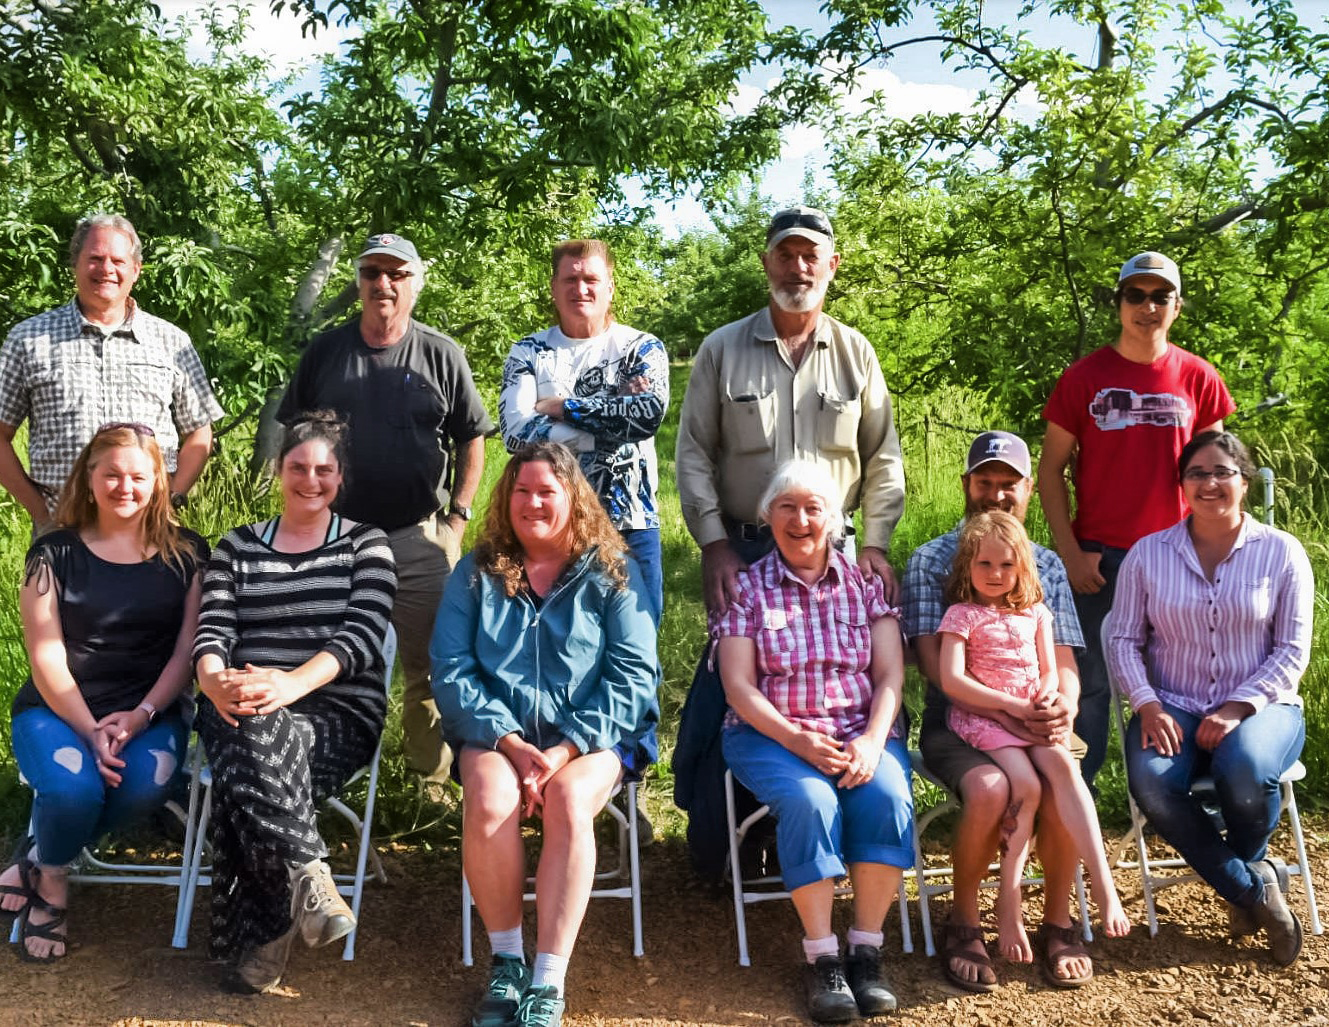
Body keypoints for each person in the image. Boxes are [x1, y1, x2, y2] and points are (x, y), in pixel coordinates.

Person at [673, 205, 906, 880]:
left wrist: (877, 545)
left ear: (831, 266)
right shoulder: (721, 348)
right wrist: (714, 542)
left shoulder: (856, 352)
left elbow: (882, 457)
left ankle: (841, 831)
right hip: (745, 551)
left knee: (841, 691)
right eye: (785, 254)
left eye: (811, 255)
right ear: (765, 262)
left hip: (834, 558)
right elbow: (692, 453)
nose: (797, 267)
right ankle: (730, 845)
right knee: (732, 696)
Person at [431, 442, 658, 1027]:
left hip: (592, 737)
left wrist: (563, 749)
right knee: (487, 798)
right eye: (521, 491)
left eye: (546, 492)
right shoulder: (476, 571)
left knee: (569, 797)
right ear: (505, 500)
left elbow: (634, 675)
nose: (533, 502)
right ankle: (507, 965)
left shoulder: (612, 570)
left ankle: (547, 981)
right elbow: (451, 669)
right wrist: (506, 739)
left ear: (572, 499)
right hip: (498, 734)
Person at [277, 232, 492, 794]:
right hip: (332, 539)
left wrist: (459, 517)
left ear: (415, 283)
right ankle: (324, 777)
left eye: (396, 274)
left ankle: (431, 783)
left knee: (434, 662)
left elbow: (473, 437)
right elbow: (294, 437)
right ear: (359, 282)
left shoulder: (441, 353)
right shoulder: (326, 352)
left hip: (419, 534)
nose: (384, 284)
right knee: (325, 657)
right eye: (372, 273)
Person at [192, 413, 397, 993]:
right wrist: (210, 679)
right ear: (278, 470)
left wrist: (288, 684)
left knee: (243, 766)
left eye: (324, 470)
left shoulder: (367, 544)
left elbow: (359, 638)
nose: (311, 479)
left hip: (335, 713)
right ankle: (310, 874)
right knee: (251, 727)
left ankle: (270, 929)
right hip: (238, 702)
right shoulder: (236, 545)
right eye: (298, 467)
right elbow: (213, 632)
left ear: (341, 477)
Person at [0, 423, 207, 962]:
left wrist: (138, 717)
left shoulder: (189, 555)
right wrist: (89, 727)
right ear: (87, 479)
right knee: (73, 790)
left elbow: (187, 652)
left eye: (139, 476)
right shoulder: (54, 553)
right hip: (56, 711)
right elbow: (45, 654)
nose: (125, 486)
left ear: (159, 482)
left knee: (144, 787)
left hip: (150, 713)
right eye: (111, 474)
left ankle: (40, 853)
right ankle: (52, 885)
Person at [715, 460, 912, 1024]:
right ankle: (823, 958)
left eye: (813, 508)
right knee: (811, 800)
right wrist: (798, 740)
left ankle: (866, 951)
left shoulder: (864, 585)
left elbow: (891, 676)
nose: (800, 520)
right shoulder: (746, 590)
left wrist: (875, 741)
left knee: (888, 796)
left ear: (834, 518)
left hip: (859, 731)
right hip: (770, 736)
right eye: (787, 508)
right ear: (766, 517)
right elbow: (738, 688)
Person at [1107, 431, 1312, 966]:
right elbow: (1123, 638)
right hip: (1170, 700)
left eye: (1222, 472)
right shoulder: (1149, 555)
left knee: (1244, 770)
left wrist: (1237, 707)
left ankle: (1246, 869)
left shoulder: (1282, 552)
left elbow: (1293, 650)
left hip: (1264, 706)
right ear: (1181, 486)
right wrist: (1147, 703)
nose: (1209, 484)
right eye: (1196, 473)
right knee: (1153, 782)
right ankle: (1254, 890)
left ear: (1244, 481)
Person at [902, 430, 1091, 991]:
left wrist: (1062, 705)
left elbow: (1065, 661)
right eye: (986, 482)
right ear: (967, 485)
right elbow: (939, 672)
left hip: (1035, 719)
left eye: (1009, 484)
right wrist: (1011, 712)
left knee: (1063, 781)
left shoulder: (1048, 566)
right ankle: (965, 921)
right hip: (960, 724)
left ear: (1029, 490)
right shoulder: (930, 560)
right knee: (989, 789)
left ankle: (1058, 921)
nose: (997, 494)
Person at [1039, 251, 1234, 787]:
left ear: (1176, 305)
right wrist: (1069, 553)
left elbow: (1219, 473)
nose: (1147, 307)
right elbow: (1050, 471)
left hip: (1180, 557)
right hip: (1100, 558)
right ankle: (1072, 803)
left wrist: (1217, 550)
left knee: (1184, 682)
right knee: (1093, 686)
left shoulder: (1198, 377)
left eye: (1159, 296)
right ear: (1119, 303)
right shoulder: (1084, 377)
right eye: (1135, 295)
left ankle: (1183, 794)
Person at [938, 510, 1130, 964]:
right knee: (1024, 785)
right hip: (984, 718)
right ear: (967, 564)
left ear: (1023, 568)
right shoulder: (962, 615)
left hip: (1029, 719)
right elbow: (952, 681)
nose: (995, 574)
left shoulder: (1036, 613)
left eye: (1006, 566)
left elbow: (1050, 672)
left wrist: (1044, 698)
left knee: (1064, 767)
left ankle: (1102, 884)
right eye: (984, 564)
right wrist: (1009, 707)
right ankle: (1009, 903)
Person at [0, 215, 223, 529]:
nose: (106, 269)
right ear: (75, 264)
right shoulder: (28, 339)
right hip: (63, 530)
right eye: (95, 258)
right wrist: (40, 513)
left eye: (118, 260)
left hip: (151, 531)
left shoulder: (171, 341)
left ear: (135, 271)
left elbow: (200, 430)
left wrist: (173, 498)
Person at [499, 239, 668, 621]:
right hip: (552, 525)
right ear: (553, 287)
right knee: (557, 647)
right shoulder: (528, 352)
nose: (581, 289)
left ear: (610, 286)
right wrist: (611, 419)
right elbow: (515, 432)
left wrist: (561, 408)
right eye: (570, 279)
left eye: (591, 279)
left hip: (630, 522)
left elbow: (646, 417)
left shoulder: (641, 349)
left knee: (635, 646)